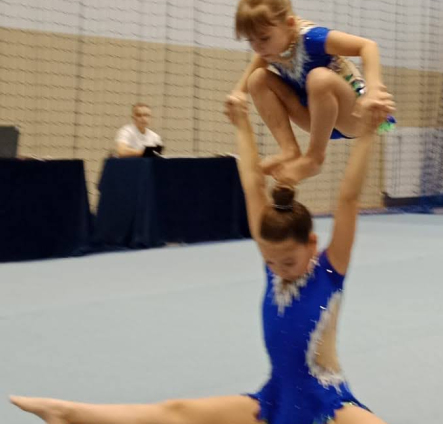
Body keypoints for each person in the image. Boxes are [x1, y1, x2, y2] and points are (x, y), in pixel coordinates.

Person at [10, 88, 393, 424]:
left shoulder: (329, 270)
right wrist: (241, 123)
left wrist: (367, 133)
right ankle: (68, 413)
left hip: (327, 404)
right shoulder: (274, 263)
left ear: (312, 244)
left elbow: (348, 199)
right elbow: (251, 184)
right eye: (270, 262)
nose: (278, 270)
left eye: (288, 263)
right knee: (176, 411)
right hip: (275, 400)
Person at [230, 0, 395, 186]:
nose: (258, 47)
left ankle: (314, 157)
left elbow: (368, 46)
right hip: (315, 118)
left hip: (352, 115)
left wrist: (374, 90)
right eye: (251, 40)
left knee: (319, 77)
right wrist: (239, 92)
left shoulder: (313, 39)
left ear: (290, 24)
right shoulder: (270, 48)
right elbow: (257, 66)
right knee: (257, 78)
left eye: (263, 38)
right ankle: (289, 151)